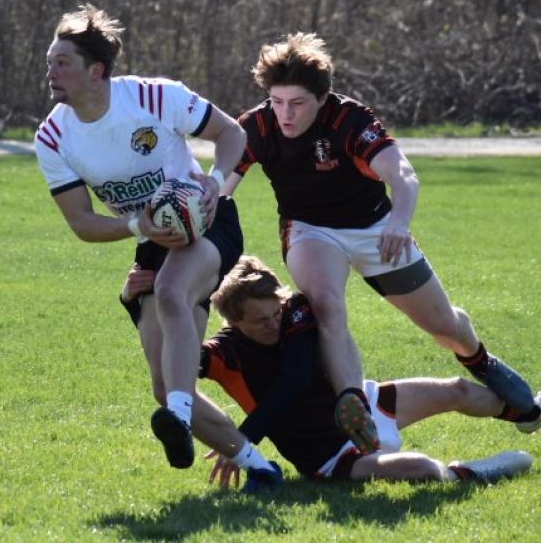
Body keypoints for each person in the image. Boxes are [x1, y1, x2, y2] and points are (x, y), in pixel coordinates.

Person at [222, 33, 539, 453]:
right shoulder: (257, 126)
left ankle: (480, 360)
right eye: (277, 101)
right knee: (326, 305)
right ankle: (353, 404)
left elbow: (402, 174)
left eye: (296, 103)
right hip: (310, 230)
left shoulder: (349, 119)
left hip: (377, 230)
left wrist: (399, 223)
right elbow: (221, 186)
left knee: (444, 326)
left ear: (322, 98)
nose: (285, 113)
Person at [34, 4, 281, 484]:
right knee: (165, 385)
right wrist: (139, 228)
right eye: (49, 63)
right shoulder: (53, 137)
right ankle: (260, 468)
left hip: (207, 223)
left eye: (62, 63)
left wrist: (214, 184)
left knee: (171, 292)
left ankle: (180, 418)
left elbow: (231, 133)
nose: (51, 73)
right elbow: (81, 222)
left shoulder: (154, 96)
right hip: (152, 239)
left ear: (96, 71)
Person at [123, 257, 538, 485]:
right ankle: (475, 473)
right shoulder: (223, 353)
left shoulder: (295, 311)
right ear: (233, 321)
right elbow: (167, 360)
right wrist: (133, 304)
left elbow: (298, 375)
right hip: (327, 454)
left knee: (459, 390)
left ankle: (526, 413)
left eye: (274, 312)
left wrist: (244, 437)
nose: (273, 324)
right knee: (423, 470)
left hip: (357, 405)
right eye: (260, 321)